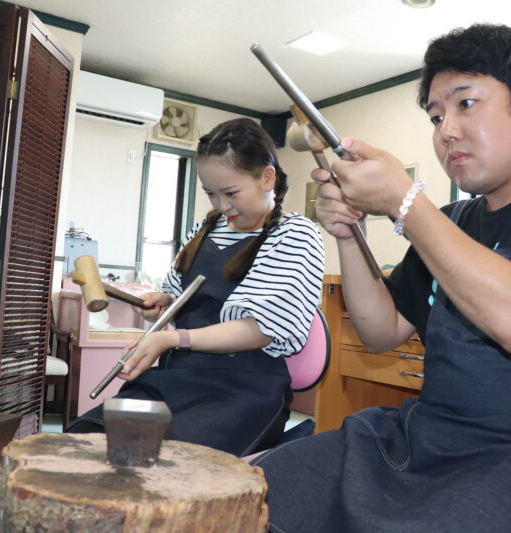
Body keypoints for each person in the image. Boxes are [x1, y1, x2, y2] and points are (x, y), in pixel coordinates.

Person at [252, 23, 511, 532]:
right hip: (427, 439)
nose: (446, 130)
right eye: (437, 115)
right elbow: (381, 331)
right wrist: (349, 236)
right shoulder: (454, 221)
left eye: (466, 104)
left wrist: (405, 203)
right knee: (257, 491)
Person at [67, 118, 325, 457]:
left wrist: (172, 338)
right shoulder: (204, 231)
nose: (222, 206)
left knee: (163, 464)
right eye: (211, 194)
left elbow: (260, 330)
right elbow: (176, 305)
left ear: (267, 177)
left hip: (243, 391)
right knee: (85, 444)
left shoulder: (294, 235)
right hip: (175, 377)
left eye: (231, 193)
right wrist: (162, 306)